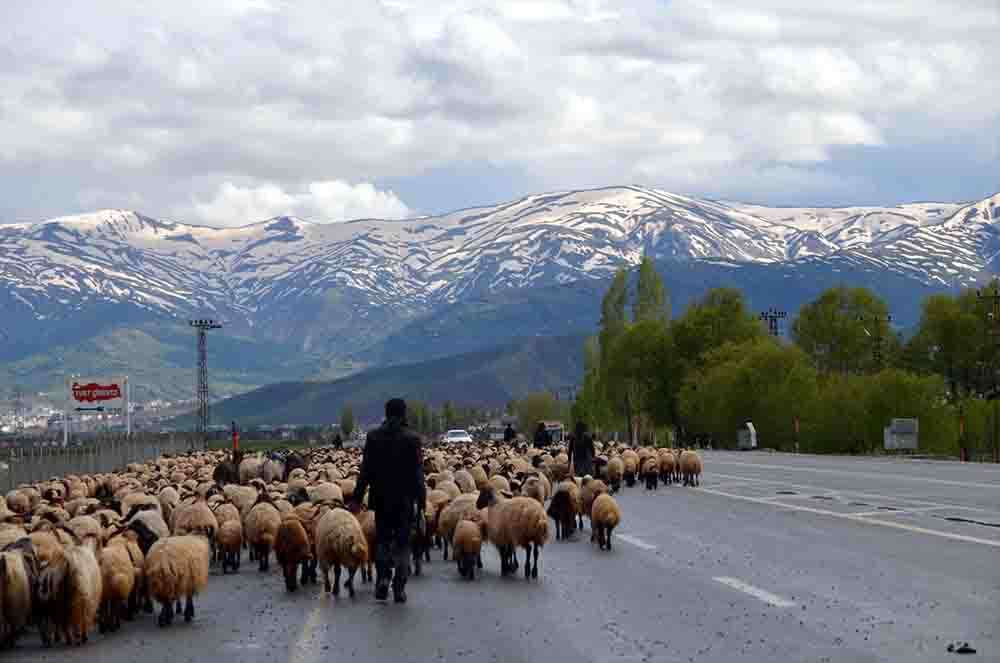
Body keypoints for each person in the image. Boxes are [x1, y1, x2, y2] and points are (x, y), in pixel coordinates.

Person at [351, 398, 425, 603]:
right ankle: (399, 587)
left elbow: (365, 471)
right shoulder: (412, 439)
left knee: (382, 540)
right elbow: (418, 473)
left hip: (381, 499)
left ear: (386, 413)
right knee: (402, 543)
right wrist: (422, 499)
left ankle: (383, 577)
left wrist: (357, 498)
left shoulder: (373, 437)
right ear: (404, 414)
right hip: (405, 500)